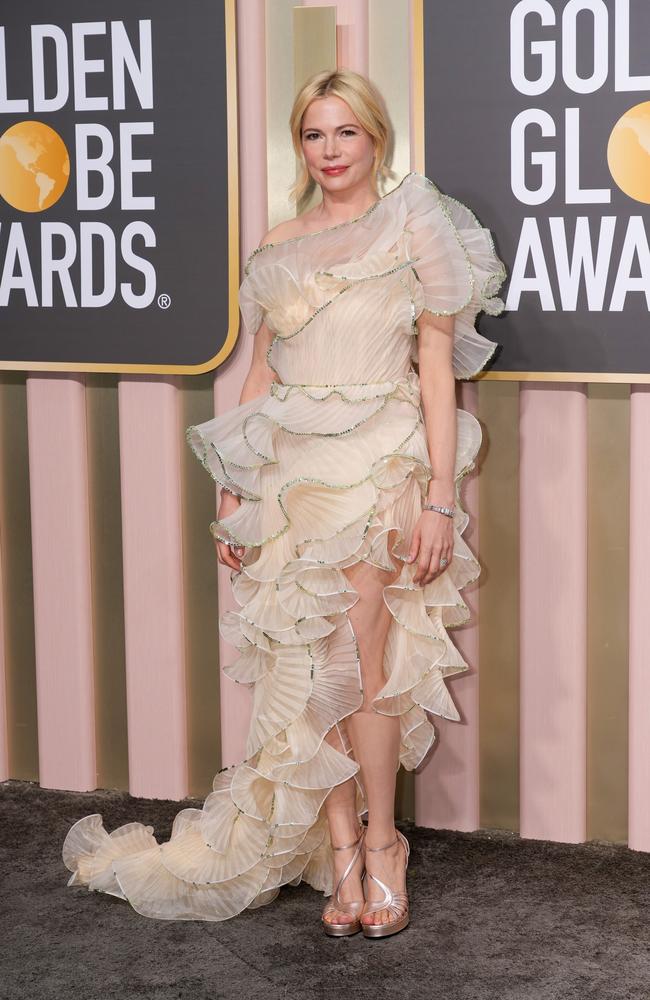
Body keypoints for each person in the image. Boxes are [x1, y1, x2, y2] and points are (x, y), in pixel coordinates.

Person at [61, 69, 507, 939]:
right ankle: (341, 849)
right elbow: (261, 372)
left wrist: (441, 504)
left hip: (381, 459)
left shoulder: (417, 224)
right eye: (313, 134)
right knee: (305, 671)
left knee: (365, 661)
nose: (330, 151)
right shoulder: (278, 243)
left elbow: (437, 372)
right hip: (289, 473)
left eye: (345, 132)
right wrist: (234, 485)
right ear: (299, 145)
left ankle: (385, 844)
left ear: (376, 136)